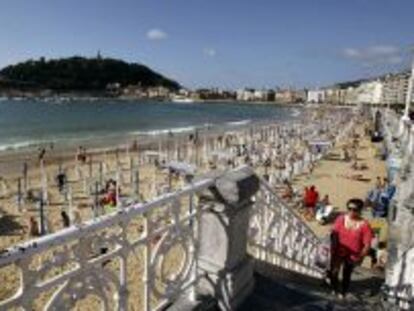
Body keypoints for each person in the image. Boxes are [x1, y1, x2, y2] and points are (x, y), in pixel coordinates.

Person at [330, 198, 373, 299]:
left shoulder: (365, 225)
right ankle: (335, 289)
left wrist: (361, 256)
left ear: (360, 210)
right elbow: (334, 233)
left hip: (353, 255)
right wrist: (333, 247)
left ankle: (343, 292)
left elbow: (367, 244)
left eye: (355, 209)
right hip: (338, 251)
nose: (351, 212)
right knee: (334, 272)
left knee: (346, 273)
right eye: (349, 208)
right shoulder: (341, 218)